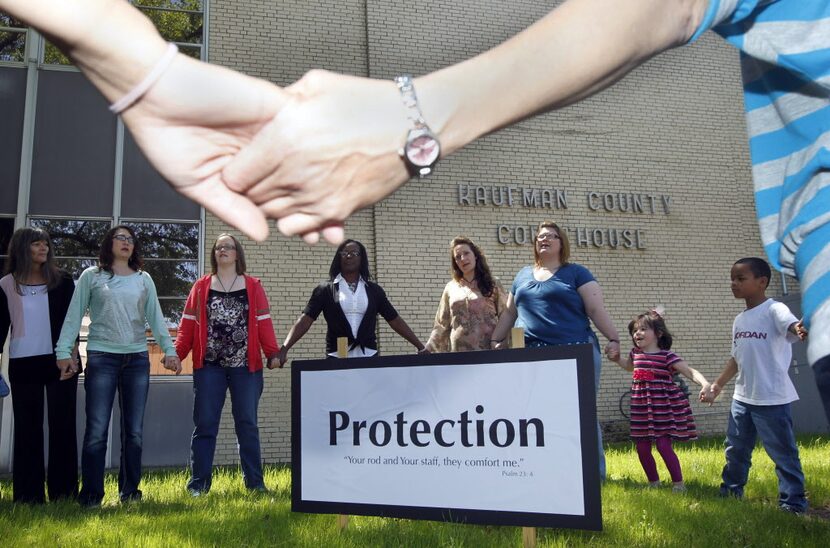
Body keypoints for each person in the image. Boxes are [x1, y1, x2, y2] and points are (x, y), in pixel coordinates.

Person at [55, 225, 181, 507]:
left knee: (133, 432)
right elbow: (74, 315)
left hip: (136, 359)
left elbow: (157, 319)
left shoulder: (143, 279)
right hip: (102, 357)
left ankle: (130, 493)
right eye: (120, 238)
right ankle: (91, 497)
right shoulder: (93, 276)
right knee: (97, 431)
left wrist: (170, 351)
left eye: (130, 239)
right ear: (108, 244)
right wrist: (63, 351)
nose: (126, 242)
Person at [490, 221, 621, 480]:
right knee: (539, 416)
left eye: (551, 236)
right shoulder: (522, 276)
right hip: (533, 355)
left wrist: (614, 338)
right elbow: (509, 312)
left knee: (582, 413)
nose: (544, 239)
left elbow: (596, 310)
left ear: (562, 243)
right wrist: (496, 340)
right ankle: (550, 470)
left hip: (576, 351)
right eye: (540, 237)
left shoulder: (577, 273)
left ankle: (594, 475)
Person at [700, 257, 808, 514]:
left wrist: (798, 327)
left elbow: (790, 324)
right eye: (732, 279)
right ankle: (730, 493)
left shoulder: (774, 309)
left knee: (783, 454)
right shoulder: (740, 320)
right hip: (742, 398)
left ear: (762, 282)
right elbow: (736, 358)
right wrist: (716, 386)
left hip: (772, 399)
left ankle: (793, 504)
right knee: (735, 450)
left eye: (740, 279)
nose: (733, 283)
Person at [174, 234, 280, 496]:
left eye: (228, 247)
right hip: (209, 367)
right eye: (219, 247)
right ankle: (198, 485)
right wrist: (177, 354)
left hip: (246, 367)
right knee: (206, 424)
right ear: (214, 254)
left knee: (247, 424)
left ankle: (255, 484)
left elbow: (264, 322)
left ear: (237, 254)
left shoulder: (253, 286)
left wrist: (272, 353)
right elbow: (187, 325)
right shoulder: (201, 286)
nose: (223, 250)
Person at [0, 228, 79, 503]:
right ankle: (27, 496)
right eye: (36, 243)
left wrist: (71, 356)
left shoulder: (63, 281)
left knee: (63, 427)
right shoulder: (6, 284)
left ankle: (64, 494)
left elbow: (72, 325)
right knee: (27, 429)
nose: (43, 247)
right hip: (23, 364)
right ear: (22, 248)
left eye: (46, 243)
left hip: (60, 362)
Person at [278, 240, 426, 365]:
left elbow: (394, 320)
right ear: (339, 258)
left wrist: (420, 346)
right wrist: (285, 348)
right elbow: (305, 320)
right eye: (344, 253)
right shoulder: (326, 290)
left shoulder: (373, 290)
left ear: (362, 259)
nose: (348, 256)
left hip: (369, 357)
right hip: (337, 357)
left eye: (354, 253)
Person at [609, 309, 710, 492]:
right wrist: (617, 360)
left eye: (642, 329)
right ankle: (653, 482)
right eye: (634, 330)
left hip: (663, 407)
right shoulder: (635, 354)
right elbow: (630, 368)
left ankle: (678, 484)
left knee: (663, 446)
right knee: (642, 448)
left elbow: (690, 371)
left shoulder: (667, 356)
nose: (637, 333)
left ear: (658, 333)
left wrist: (704, 384)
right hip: (641, 406)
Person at [425, 237, 506, 353]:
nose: (463, 259)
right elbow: (441, 325)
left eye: (466, 253)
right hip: (459, 355)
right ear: (455, 262)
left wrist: (503, 343)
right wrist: (428, 348)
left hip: (489, 353)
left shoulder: (493, 283)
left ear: (475, 256)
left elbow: (506, 316)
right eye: (458, 257)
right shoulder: (450, 288)